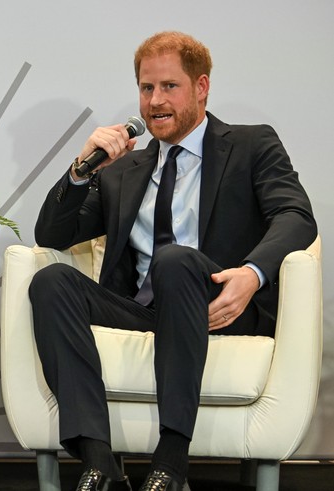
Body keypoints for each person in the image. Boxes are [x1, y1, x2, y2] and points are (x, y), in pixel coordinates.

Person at [28, 31, 316, 491]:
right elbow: (53, 234)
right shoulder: (123, 169)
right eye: (146, 88)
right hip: (144, 310)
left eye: (169, 87)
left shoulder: (251, 145)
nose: (155, 101)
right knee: (52, 282)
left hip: (217, 306)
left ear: (201, 87)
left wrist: (251, 274)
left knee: (175, 261)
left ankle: (172, 458)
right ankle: (98, 463)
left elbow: (296, 216)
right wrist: (80, 169)